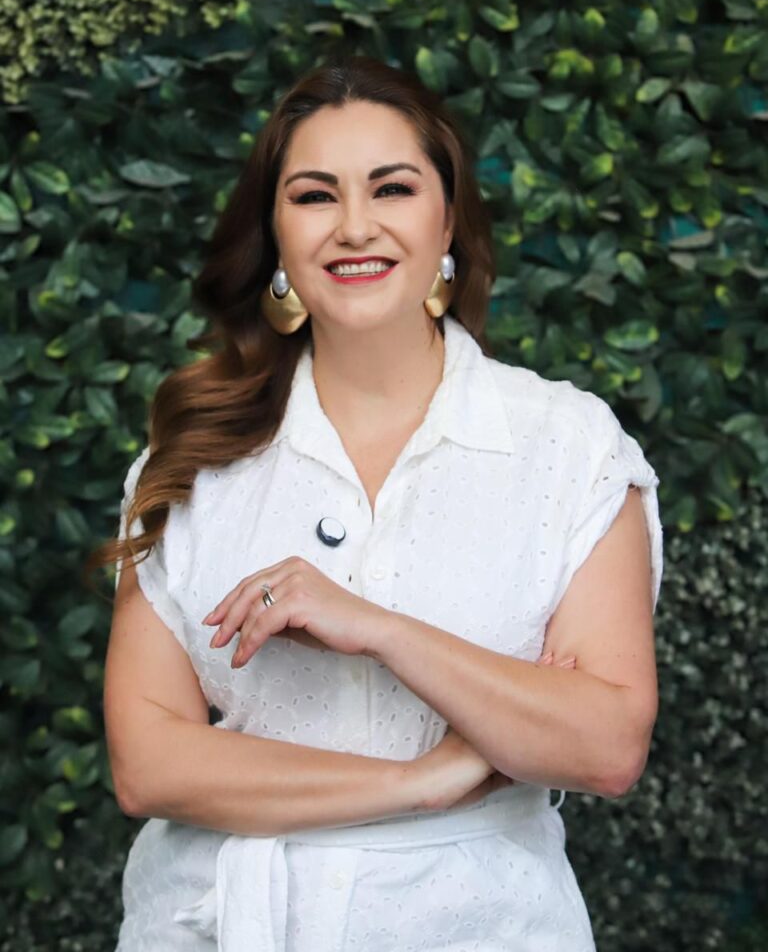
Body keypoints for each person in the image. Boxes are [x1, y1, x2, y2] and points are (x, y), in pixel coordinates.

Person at [98, 53, 662, 951]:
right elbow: (149, 762)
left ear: (448, 220)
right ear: (276, 235)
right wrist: (423, 783)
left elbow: (605, 744)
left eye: (392, 188)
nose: (354, 227)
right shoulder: (194, 462)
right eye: (314, 196)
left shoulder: (568, 447)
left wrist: (380, 629)